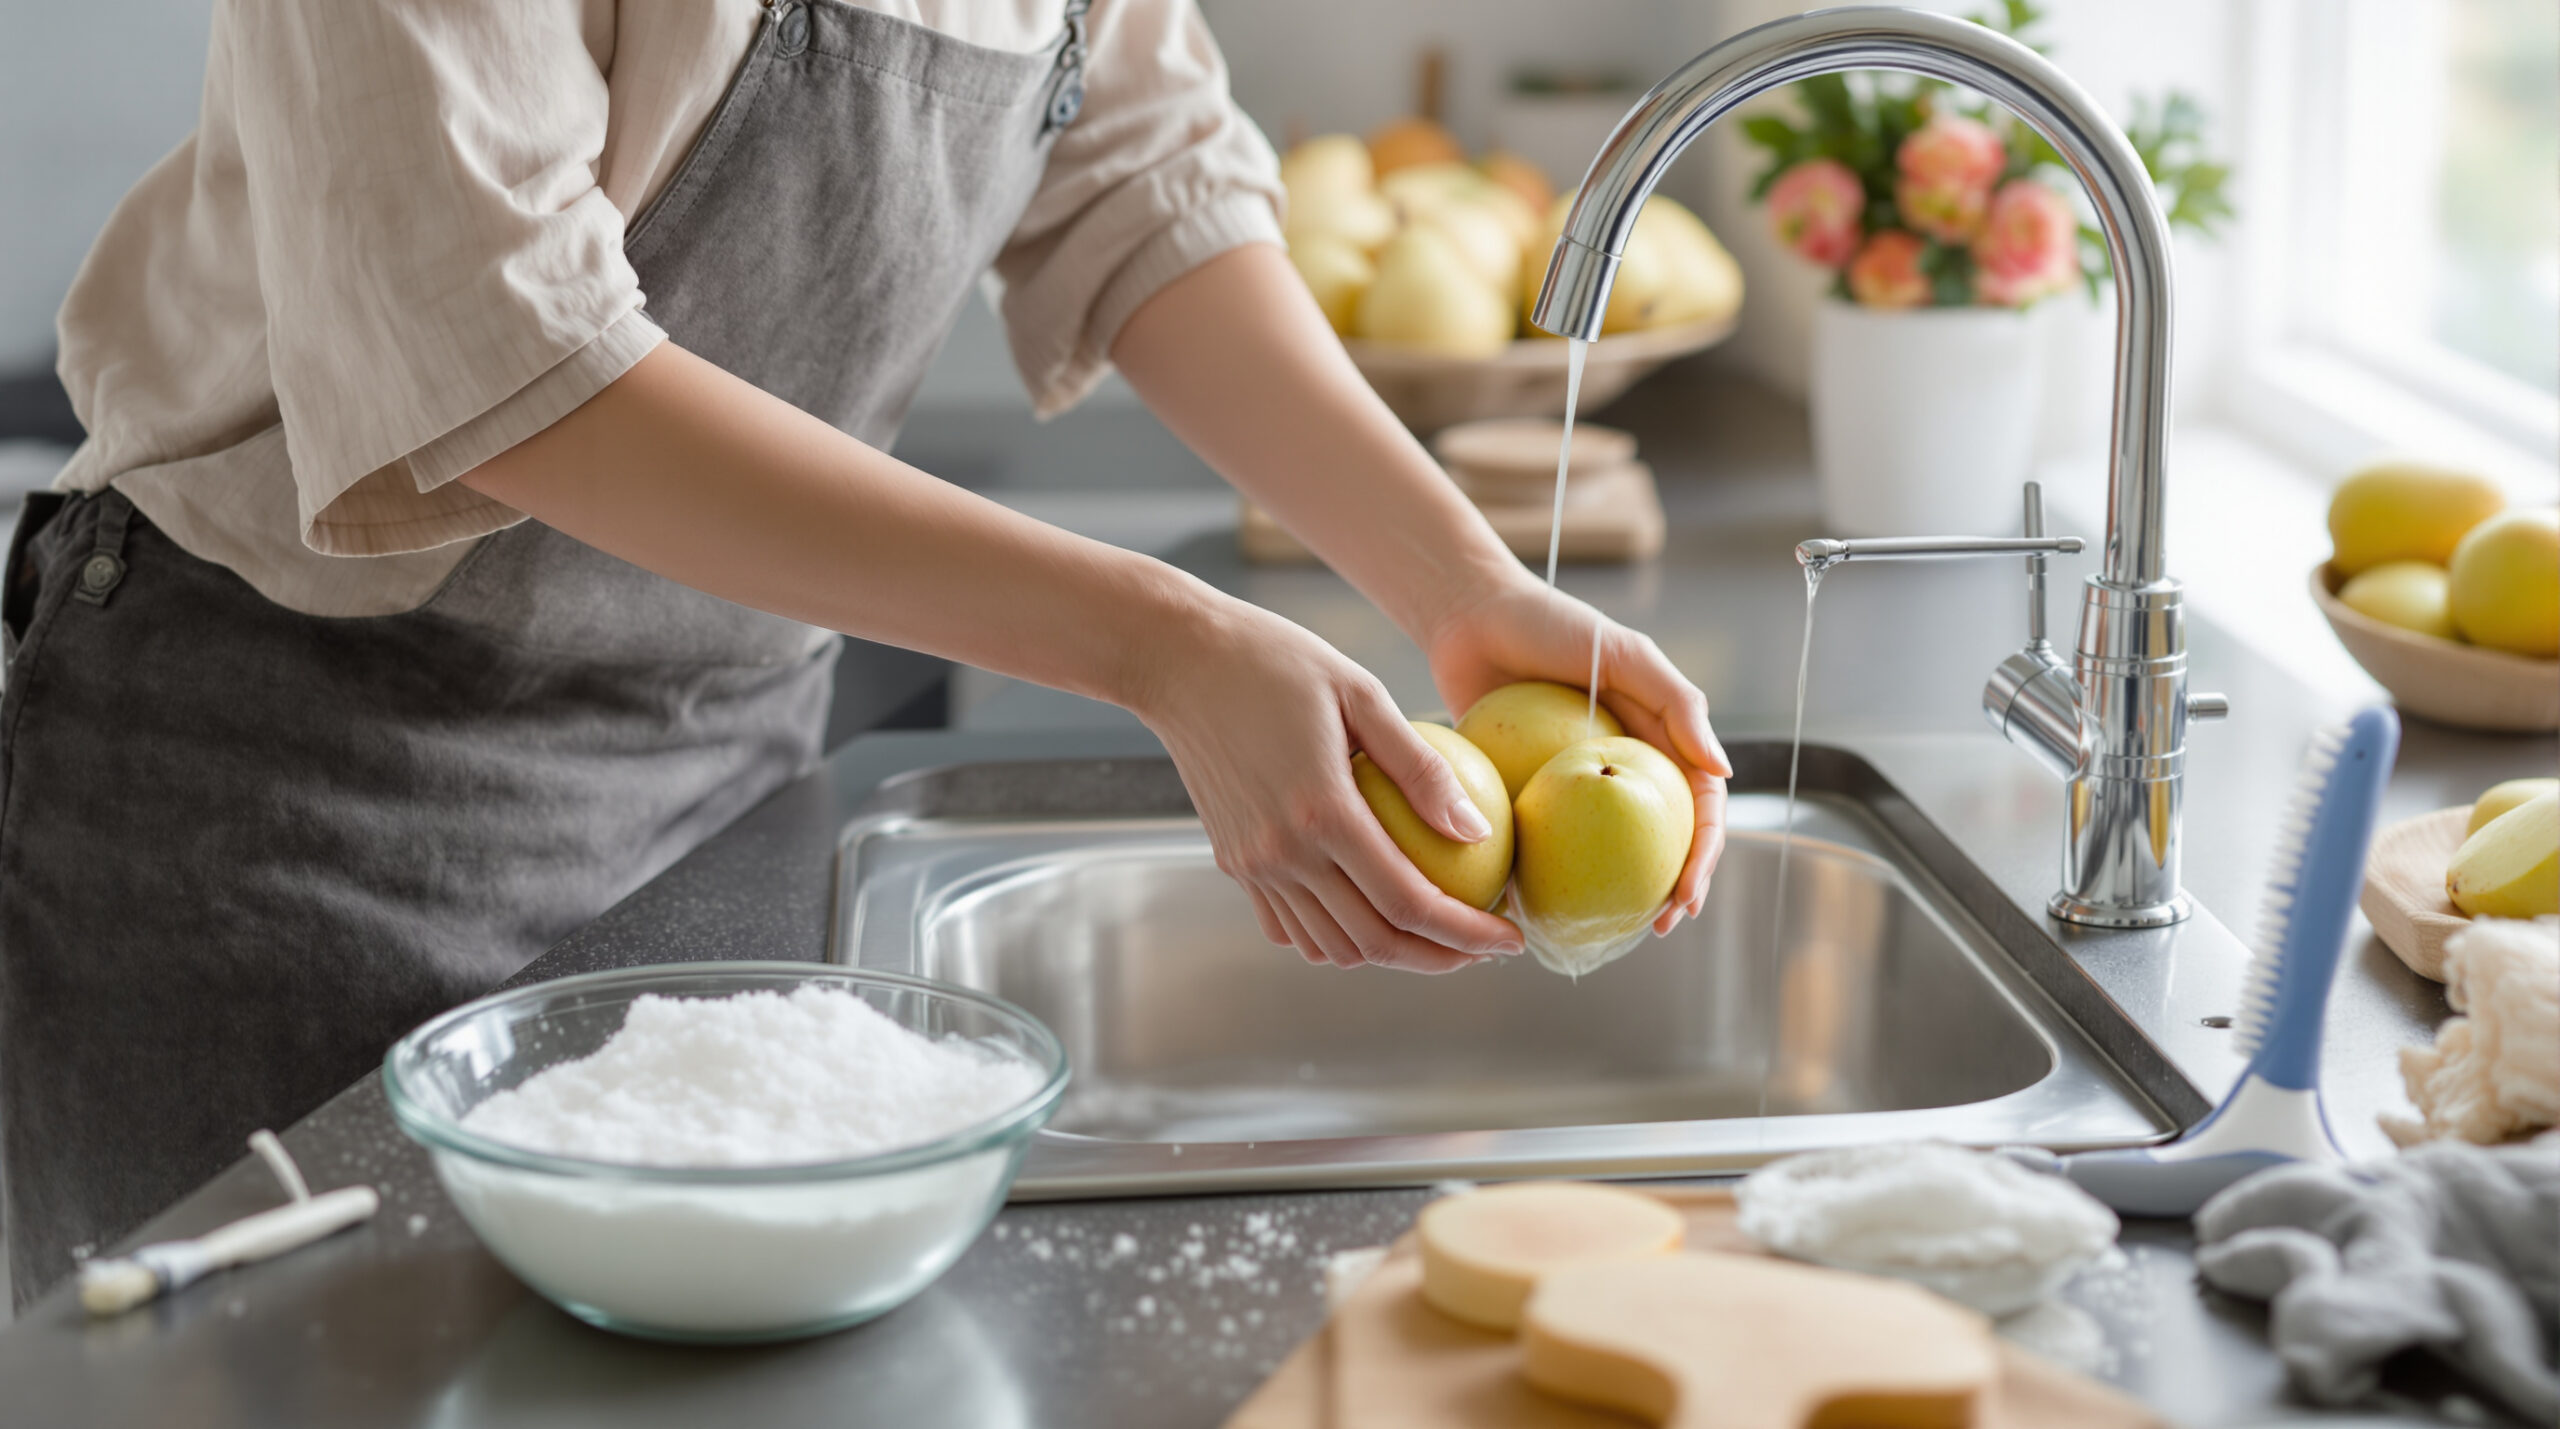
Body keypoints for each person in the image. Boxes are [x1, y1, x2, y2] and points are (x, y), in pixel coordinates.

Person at [0, 0, 1730, 1304]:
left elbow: (1145, 184)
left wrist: (1459, 584)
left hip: (724, 762)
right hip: (284, 792)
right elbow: (490, 349)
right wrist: (1163, 644)